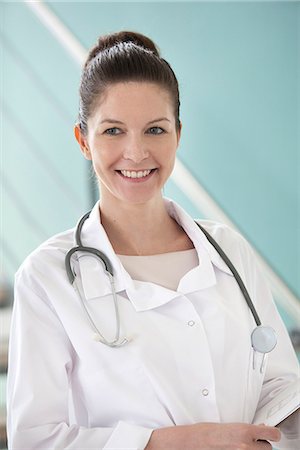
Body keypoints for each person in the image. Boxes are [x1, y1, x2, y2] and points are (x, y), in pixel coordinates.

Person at [7, 31, 299, 449]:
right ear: (82, 140)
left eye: (155, 130)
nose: (136, 152)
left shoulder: (227, 250)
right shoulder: (46, 276)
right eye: (112, 131)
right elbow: (34, 439)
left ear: (178, 134)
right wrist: (167, 443)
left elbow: (279, 387)